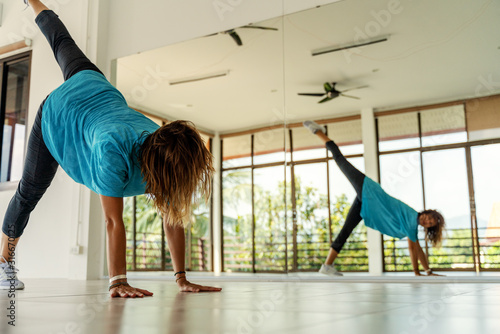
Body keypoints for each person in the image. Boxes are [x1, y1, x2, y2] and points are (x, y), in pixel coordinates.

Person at [0, 0, 221, 297]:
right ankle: (3, 261)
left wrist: (181, 278)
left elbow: (172, 217)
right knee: (29, 192)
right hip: (58, 115)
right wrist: (118, 281)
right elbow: (113, 220)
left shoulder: (165, 145)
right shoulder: (113, 152)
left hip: (93, 84)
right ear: (160, 169)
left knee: (62, 41)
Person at [303, 120, 445, 277]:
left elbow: (416, 249)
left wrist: (425, 271)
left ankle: (327, 265)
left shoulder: (411, 226)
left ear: (427, 228)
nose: (427, 221)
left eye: (430, 224)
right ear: (426, 212)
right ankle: (318, 132)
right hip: (369, 190)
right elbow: (414, 249)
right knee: (340, 160)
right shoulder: (412, 219)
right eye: (429, 218)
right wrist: (420, 272)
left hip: (367, 205)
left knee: (346, 231)